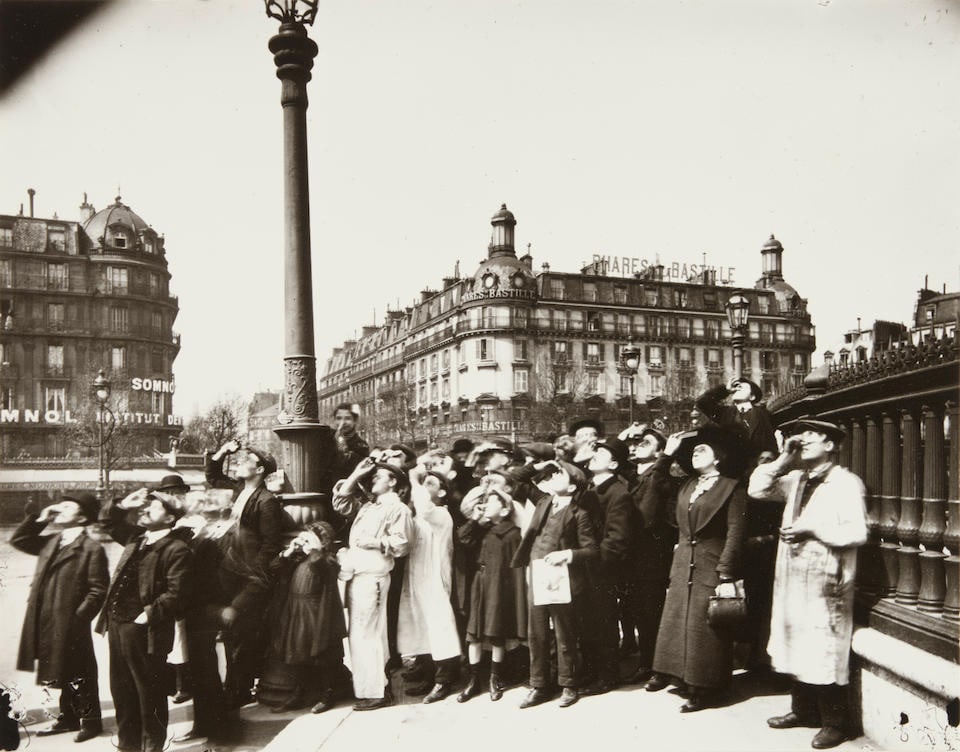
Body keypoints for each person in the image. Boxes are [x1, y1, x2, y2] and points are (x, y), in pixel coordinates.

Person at [749, 418, 867, 750]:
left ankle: (834, 722)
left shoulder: (846, 484)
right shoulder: (797, 479)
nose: (804, 440)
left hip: (826, 577)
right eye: (802, 436)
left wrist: (812, 531)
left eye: (813, 436)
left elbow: (857, 532)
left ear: (831, 445)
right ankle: (802, 711)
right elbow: (757, 488)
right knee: (795, 639)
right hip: (794, 574)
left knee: (824, 647)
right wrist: (783, 460)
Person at [646, 426, 748, 713]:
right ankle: (678, 675)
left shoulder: (732, 487)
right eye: (692, 451)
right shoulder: (687, 486)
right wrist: (665, 457)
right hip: (682, 563)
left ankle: (704, 686)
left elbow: (735, 532)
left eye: (702, 450)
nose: (695, 453)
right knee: (679, 622)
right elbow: (657, 483)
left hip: (711, 563)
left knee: (706, 628)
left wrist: (726, 572)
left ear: (719, 458)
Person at [96, 492, 193, 752]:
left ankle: (152, 746)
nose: (146, 509)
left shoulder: (176, 548)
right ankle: (128, 745)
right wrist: (124, 505)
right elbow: (107, 522)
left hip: (146, 630)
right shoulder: (136, 538)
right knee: (122, 691)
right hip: (117, 625)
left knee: (148, 692)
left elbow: (177, 593)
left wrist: (147, 614)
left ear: (170, 518)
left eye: (154, 506)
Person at [696, 377, 780, 670]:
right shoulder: (728, 414)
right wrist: (725, 391)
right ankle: (737, 647)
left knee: (755, 569)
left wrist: (765, 462)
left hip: (755, 484)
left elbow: (769, 446)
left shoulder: (762, 413)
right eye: (736, 386)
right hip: (733, 482)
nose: (738, 387)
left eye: (744, 385)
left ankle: (753, 651)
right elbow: (704, 404)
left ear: (755, 392)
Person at [12, 492, 108, 744]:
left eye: (68, 506)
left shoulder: (91, 548)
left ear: (82, 517)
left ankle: (90, 721)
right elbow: (20, 539)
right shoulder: (54, 540)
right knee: (60, 666)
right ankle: (68, 716)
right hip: (46, 617)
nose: (60, 509)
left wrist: (79, 618)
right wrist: (40, 519)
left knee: (80, 670)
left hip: (70, 621)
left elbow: (98, 590)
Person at [511, 460, 598, 709]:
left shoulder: (579, 514)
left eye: (560, 474)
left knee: (564, 632)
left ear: (572, 488)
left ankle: (569, 684)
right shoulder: (544, 501)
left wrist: (567, 554)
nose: (553, 475)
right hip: (537, 574)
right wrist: (541, 466)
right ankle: (539, 685)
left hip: (562, 579)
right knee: (536, 633)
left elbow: (591, 549)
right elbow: (518, 478)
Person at [205, 440, 283, 709]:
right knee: (231, 634)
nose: (239, 461)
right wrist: (222, 451)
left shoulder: (267, 501)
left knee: (242, 636)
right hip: (228, 573)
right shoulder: (239, 490)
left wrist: (251, 578)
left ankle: (238, 690)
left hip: (247, 579)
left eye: (245, 459)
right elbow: (213, 477)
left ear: (259, 469)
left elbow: (270, 546)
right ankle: (235, 687)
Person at [335, 462, 412, 711]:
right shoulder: (369, 506)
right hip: (360, 575)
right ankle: (371, 687)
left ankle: (377, 690)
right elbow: (340, 503)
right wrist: (356, 473)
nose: (374, 480)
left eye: (379, 476)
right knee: (362, 634)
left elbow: (402, 544)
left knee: (369, 635)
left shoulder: (397, 508)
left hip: (374, 576)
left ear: (393, 482)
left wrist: (374, 542)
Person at [397, 459, 462, 703]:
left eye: (431, 483)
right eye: (424, 482)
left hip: (434, 577)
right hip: (416, 576)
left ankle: (445, 679)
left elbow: (424, 506)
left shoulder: (441, 515)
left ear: (442, 492)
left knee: (438, 625)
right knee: (419, 623)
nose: (424, 486)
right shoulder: (419, 517)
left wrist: (414, 479)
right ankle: (427, 674)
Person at [267, 521, 349, 714]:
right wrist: (288, 552)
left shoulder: (327, 559)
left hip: (316, 613)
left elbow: (323, 566)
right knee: (296, 651)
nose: (303, 542)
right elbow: (274, 568)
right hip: (296, 610)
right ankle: (299, 693)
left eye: (308, 538)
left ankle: (327, 694)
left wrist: (314, 549)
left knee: (321, 654)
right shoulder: (299, 559)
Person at [456, 480, 527, 703]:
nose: (484, 505)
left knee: (497, 634)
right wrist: (476, 519)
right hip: (480, 586)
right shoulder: (480, 528)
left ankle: (494, 678)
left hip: (499, 589)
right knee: (474, 635)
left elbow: (516, 569)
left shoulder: (513, 534)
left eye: (490, 501)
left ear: (505, 509)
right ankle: (474, 680)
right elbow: (463, 538)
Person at [579, 437, 636, 696]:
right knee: (587, 621)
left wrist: (595, 564)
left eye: (601, 453)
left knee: (604, 623)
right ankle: (591, 670)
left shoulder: (618, 493)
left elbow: (617, 539)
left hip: (602, 570)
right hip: (586, 566)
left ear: (613, 464)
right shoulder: (590, 487)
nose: (594, 455)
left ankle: (607, 675)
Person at [623, 427, 677, 685]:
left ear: (659, 450)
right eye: (635, 443)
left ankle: (658, 667)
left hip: (652, 554)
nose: (636, 446)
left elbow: (646, 515)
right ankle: (647, 661)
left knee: (650, 611)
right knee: (638, 610)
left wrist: (665, 458)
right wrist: (623, 437)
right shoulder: (633, 475)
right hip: (633, 555)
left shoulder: (660, 476)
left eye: (645, 442)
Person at [332, 402, 370, 482]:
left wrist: (340, 439)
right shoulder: (329, 439)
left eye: (347, 418)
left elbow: (345, 463)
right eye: (338, 418)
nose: (343, 423)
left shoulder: (361, 446)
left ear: (355, 421)